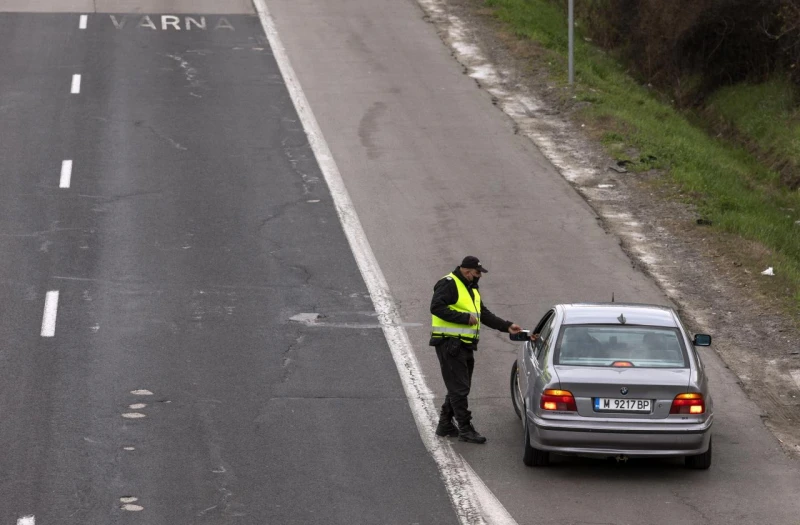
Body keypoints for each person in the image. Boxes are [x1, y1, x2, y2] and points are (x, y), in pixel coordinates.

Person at [430, 256, 523, 444]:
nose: (479, 276)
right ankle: (465, 429)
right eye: (477, 272)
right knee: (460, 388)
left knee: (459, 386)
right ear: (467, 271)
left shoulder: (470, 288)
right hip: (450, 343)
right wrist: (463, 318)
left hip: (464, 344)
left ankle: (445, 424)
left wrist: (507, 326)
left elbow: (483, 313)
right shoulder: (449, 283)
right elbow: (436, 307)